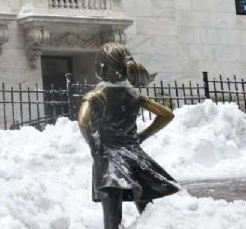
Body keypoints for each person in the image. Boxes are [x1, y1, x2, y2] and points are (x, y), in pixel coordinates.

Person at [77, 43, 181, 229]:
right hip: (135, 156)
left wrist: (93, 145)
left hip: (108, 157)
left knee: (112, 212)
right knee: (147, 208)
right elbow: (167, 115)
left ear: (101, 69)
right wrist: (142, 136)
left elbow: (83, 121)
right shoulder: (134, 95)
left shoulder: (96, 96)